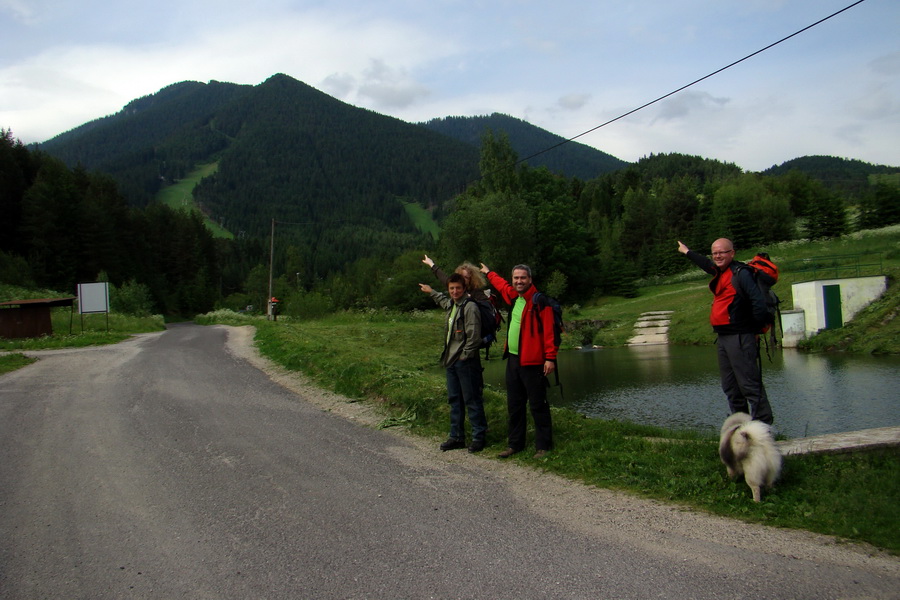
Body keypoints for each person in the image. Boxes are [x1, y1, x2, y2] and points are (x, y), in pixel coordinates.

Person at [677, 238, 774, 424]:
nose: (718, 256)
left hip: (740, 336)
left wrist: (754, 331)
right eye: (715, 253)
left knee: (749, 385)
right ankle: (740, 428)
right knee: (731, 387)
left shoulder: (741, 274)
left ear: (732, 253)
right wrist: (687, 252)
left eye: (722, 252)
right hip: (724, 337)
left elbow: (758, 303)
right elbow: (706, 264)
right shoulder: (720, 271)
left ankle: (763, 429)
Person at [479, 263, 557, 459]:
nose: (519, 281)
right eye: (516, 278)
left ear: (530, 280)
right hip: (514, 360)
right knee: (514, 404)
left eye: (523, 278)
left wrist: (550, 358)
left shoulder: (541, 302)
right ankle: (515, 444)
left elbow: (550, 333)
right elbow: (502, 285)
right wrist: (489, 273)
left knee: (538, 405)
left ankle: (543, 446)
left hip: (534, 362)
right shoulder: (514, 296)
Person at [418, 273, 488, 453]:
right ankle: (456, 437)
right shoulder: (453, 304)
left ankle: (479, 437)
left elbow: (474, 336)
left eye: (458, 288)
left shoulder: (470, 307)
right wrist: (431, 291)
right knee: (455, 399)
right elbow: (442, 300)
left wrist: (465, 356)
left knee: (472, 399)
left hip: (465, 362)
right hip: (451, 360)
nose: (454, 291)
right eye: (451, 288)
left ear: (464, 288)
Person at [422, 255, 490, 301]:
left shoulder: (477, 293)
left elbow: (486, 305)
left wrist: (471, 299)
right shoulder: (455, 287)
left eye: (466, 277)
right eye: (460, 276)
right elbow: (442, 276)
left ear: (471, 279)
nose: (462, 279)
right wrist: (431, 264)